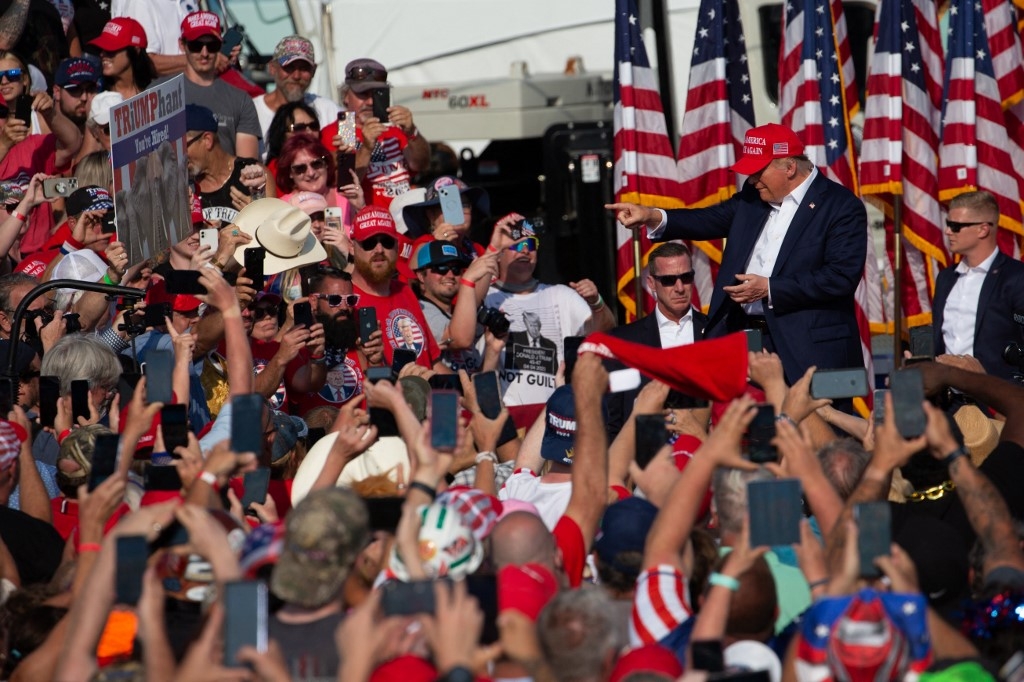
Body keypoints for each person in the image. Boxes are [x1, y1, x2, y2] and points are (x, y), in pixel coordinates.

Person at [608, 122, 867, 385]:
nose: (752, 180)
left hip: (810, 350)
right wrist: (652, 216)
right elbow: (708, 219)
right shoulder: (753, 199)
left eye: (757, 171)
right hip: (750, 344)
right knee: (754, 424)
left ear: (789, 167)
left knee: (820, 426)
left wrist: (769, 288)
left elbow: (840, 277)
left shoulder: (841, 207)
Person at [604, 242, 708, 438]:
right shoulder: (624, 342)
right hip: (647, 459)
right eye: (669, 280)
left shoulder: (717, 332)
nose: (679, 288)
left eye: (686, 278)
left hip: (705, 456)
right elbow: (612, 421)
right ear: (651, 283)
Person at [932, 190, 1024, 384]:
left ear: (983, 229)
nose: (948, 231)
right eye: (948, 224)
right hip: (947, 402)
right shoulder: (946, 278)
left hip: (995, 404)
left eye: (955, 226)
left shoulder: (1016, 278)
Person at [328, 58, 430, 208]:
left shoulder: (394, 126)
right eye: (363, 94)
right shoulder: (345, 126)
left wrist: (412, 131)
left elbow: (421, 164)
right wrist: (367, 147)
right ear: (345, 96)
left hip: (403, 219)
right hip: (367, 220)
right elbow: (345, 185)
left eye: (377, 94)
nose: (370, 102)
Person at [348, 206, 440, 370]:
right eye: (369, 243)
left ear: (397, 246)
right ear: (351, 247)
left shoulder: (404, 290)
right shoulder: (344, 299)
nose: (379, 250)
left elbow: (433, 363)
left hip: (426, 393)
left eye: (387, 242)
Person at [175, 11, 260, 159]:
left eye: (212, 45)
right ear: (182, 45)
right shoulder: (157, 94)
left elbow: (248, 165)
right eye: (196, 45)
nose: (204, 53)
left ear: (220, 45)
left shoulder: (241, 100)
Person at [252, 35, 339, 149]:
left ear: (313, 71)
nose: (296, 76)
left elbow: (350, 153)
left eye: (304, 68)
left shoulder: (331, 110)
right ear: (272, 68)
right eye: (289, 67)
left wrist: (363, 148)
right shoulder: (250, 111)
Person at [184, 103, 261, 225]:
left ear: (207, 140)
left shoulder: (256, 177)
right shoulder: (182, 190)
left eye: (183, 147)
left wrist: (256, 216)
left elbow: (271, 235)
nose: (178, 155)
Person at [87, 17, 156, 100]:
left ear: (135, 50)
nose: (102, 54)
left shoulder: (157, 91)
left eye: (110, 48)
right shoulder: (94, 94)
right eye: (101, 49)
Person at [51, 57, 100, 165]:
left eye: (90, 89)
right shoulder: (39, 130)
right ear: (57, 92)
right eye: (75, 90)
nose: (84, 97)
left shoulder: (103, 128)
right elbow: (82, 176)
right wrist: (90, 122)